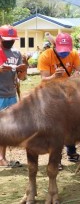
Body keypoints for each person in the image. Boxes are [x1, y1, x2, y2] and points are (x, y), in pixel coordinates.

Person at [37, 33, 80, 166]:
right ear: (55, 46)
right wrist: (54, 76)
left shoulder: (74, 54)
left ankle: (71, 152)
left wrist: (77, 74)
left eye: (66, 51)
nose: (64, 53)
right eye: (61, 51)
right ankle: (55, 158)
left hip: (68, 93)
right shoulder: (45, 56)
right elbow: (43, 79)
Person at [0, 25, 27, 168]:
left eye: (12, 40)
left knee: (6, 127)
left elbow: (21, 78)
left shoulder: (17, 54)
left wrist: (23, 70)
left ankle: (2, 157)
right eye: (6, 39)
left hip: (10, 94)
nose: (9, 42)